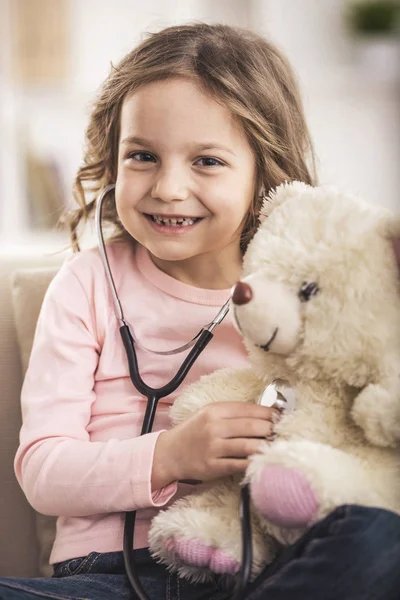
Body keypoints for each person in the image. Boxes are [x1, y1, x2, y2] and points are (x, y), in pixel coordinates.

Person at [0, 22, 399, 600]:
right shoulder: (85, 284)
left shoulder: (302, 301)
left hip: (263, 569)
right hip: (104, 578)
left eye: (206, 161)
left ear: (265, 169)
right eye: (142, 156)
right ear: (112, 160)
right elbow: (43, 470)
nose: (167, 187)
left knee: (381, 538)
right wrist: (170, 456)